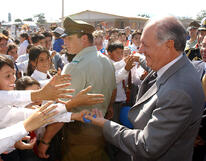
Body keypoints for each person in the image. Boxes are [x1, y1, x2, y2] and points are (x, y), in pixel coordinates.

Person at [84, 16, 205, 161]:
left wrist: (104, 124)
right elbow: (156, 71)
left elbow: (146, 145)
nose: (140, 50)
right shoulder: (178, 65)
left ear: (168, 45)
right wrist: (138, 58)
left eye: (146, 45)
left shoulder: (178, 91)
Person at [61, 17, 116, 161]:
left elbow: (62, 107)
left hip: (78, 133)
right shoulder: (106, 60)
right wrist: (109, 107)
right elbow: (113, 90)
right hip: (100, 127)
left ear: (84, 38)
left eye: (69, 38)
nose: (64, 42)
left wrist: (45, 141)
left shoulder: (74, 66)